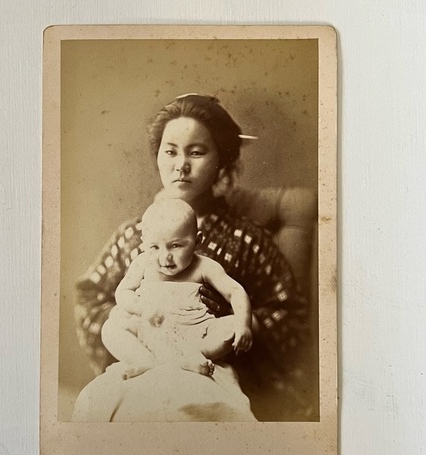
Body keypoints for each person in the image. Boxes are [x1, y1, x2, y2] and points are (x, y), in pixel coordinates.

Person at [73, 93, 309, 422]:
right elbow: (91, 296)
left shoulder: (245, 238)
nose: (180, 165)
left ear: (221, 162)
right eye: (170, 151)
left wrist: (232, 326)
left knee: (188, 410)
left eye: (196, 152)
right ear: (157, 156)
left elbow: (287, 314)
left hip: (207, 365)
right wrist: (139, 319)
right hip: (143, 357)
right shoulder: (133, 234)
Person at [102, 198, 253, 381]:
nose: (165, 257)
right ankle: (144, 360)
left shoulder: (205, 267)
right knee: (111, 328)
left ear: (198, 241)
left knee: (231, 325)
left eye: (175, 246)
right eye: (154, 247)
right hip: (150, 329)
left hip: (195, 334)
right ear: (143, 243)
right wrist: (142, 308)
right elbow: (122, 292)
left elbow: (235, 291)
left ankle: (191, 357)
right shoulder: (143, 263)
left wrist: (243, 324)